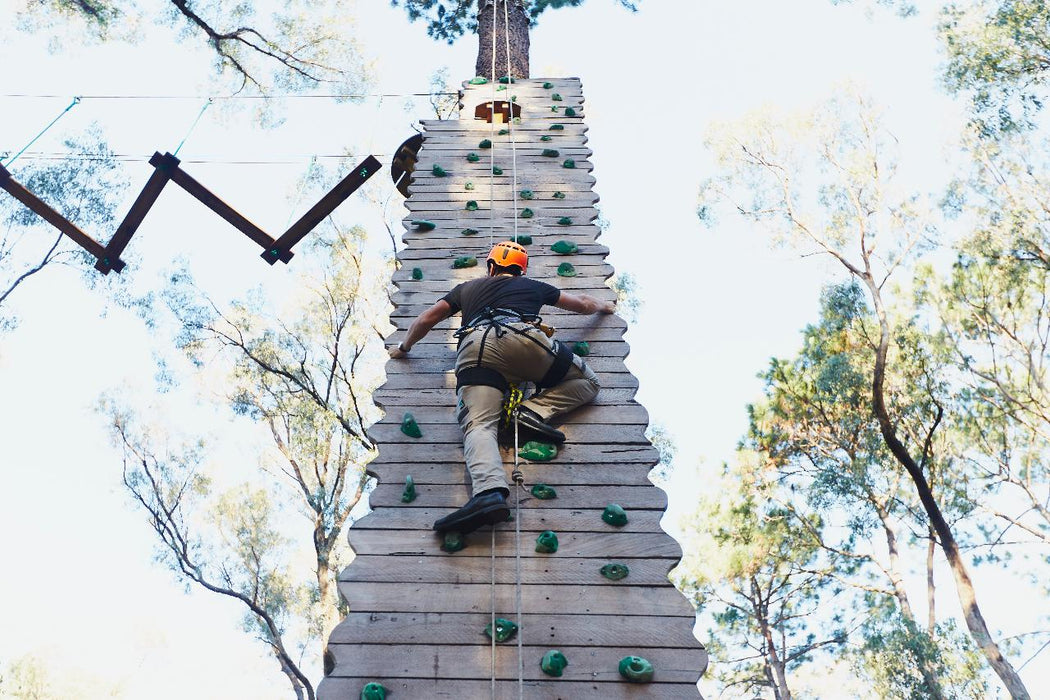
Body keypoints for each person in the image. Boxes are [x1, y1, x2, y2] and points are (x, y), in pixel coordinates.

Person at [388, 240, 616, 534]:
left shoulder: (466, 289)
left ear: (491, 266)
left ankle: (489, 494)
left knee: (479, 427)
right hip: (521, 338)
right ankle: (530, 412)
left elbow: (427, 318)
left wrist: (404, 347)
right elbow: (583, 304)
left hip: (475, 349)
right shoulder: (533, 286)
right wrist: (604, 306)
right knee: (587, 382)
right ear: (520, 272)